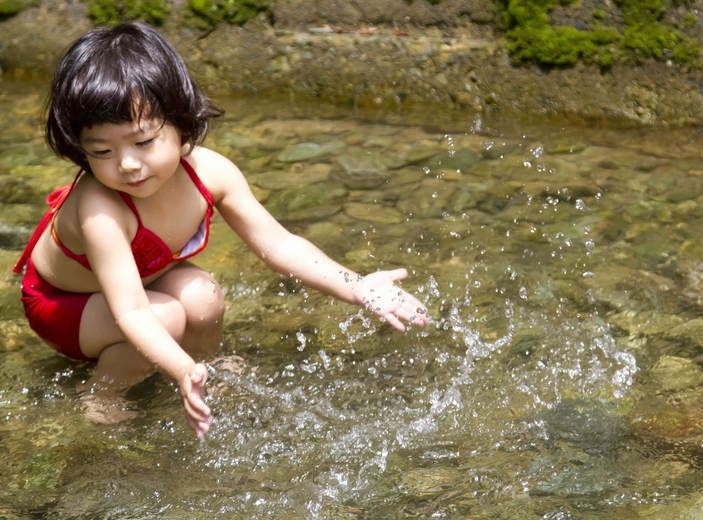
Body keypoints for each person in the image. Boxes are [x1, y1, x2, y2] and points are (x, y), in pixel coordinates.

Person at [14, 21, 429, 439]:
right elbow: (133, 312)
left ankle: (206, 366)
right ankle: (104, 395)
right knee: (167, 317)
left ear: (181, 122)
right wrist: (180, 369)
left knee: (203, 294)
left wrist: (358, 286)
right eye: (102, 151)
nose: (127, 164)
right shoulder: (100, 209)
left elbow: (280, 244)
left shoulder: (210, 173)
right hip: (65, 303)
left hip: (142, 280)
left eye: (143, 142)